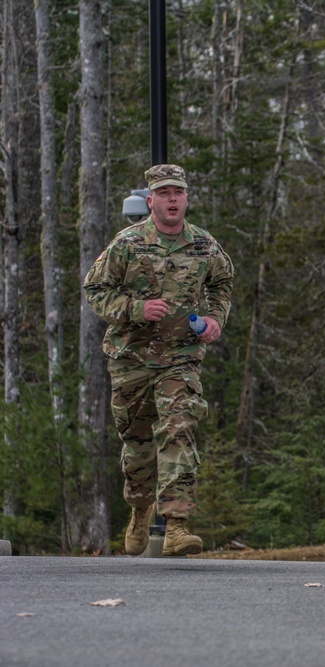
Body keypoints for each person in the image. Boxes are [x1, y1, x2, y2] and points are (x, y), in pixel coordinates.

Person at [84, 164, 234, 557]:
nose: (172, 200)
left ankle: (177, 526)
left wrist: (215, 319)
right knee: (137, 444)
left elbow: (222, 284)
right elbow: (95, 289)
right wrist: (135, 308)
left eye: (178, 193)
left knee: (179, 427)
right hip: (131, 357)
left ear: (186, 199)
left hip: (180, 358)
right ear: (150, 201)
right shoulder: (127, 244)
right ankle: (138, 507)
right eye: (164, 194)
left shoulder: (205, 245)